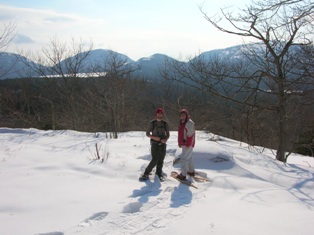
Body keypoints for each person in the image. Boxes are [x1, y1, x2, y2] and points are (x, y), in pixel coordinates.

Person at [140, 108, 170, 181]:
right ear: (156, 114)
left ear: (162, 114)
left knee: (161, 160)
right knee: (155, 159)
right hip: (154, 144)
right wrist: (154, 137)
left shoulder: (165, 123)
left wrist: (165, 139)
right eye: (158, 113)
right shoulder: (152, 123)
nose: (159, 115)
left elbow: (168, 134)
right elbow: (147, 133)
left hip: (163, 144)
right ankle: (146, 173)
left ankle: (158, 174)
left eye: (161, 113)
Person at [173, 108, 195, 180]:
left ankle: (183, 175)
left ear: (187, 115)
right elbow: (181, 134)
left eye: (184, 114)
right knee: (189, 158)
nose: (182, 116)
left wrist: (188, 144)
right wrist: (180, 143)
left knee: (184, 159)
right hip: (184, 143)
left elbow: (190, 135)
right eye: (181, 115)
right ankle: (191, 171)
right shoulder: (183, 122)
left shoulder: (189, 123)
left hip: (187, 144)